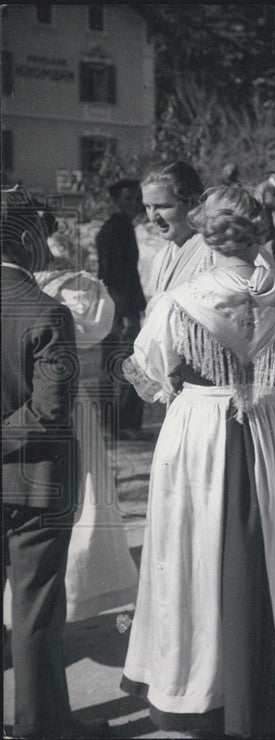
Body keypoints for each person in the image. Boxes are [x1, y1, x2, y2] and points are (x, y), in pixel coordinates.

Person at [120, 186, 275, 737]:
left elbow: (150, 373)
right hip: (271, 428)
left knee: (197, 549)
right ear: (260, 232)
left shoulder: (181, 300)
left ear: (205, 233)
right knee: (273, 547)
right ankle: (270, 680)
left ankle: (204, 688)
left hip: (203, 430)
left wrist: (177, 388)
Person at [2, 188, 106, 738]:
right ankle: (40, 726)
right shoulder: (47, 311)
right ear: (27, 239)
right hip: (37, 483)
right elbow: (50, 409)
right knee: (35, 609)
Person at [33, 258, 139, 624]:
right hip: (53, 400)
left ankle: (59, 595)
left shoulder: (70, 286)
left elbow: (94, 323)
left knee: (75, 497)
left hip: (61, 401)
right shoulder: (62, 290)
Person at [96, 178, 148, 439]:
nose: (132, 202)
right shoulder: (117, 229)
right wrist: (128, 312)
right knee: (126, 365)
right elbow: (116, 274)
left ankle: (113, 425)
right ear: (117, 200)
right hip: (120, 307)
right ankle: (123, 426)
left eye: (134, 197)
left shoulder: (119, 226)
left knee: (114, 365)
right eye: (126, 198)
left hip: (115, 305)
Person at [143, 161, 212, 295]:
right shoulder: (161, 256)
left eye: (162, 206)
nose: (153, 217)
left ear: (190, 201)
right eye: (148, 207)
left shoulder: (214, 253)